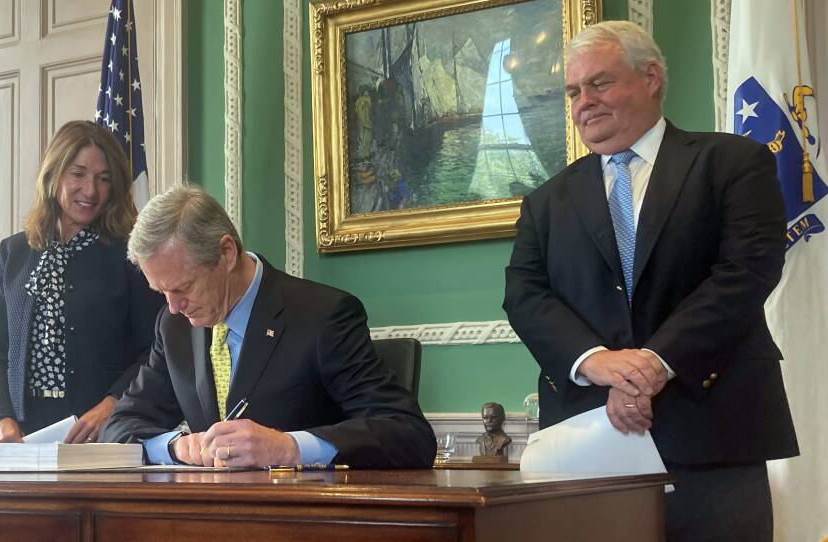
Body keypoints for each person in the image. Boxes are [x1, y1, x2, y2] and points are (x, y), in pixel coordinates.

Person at [502, 21, 798, 541]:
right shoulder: (546, 201)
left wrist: (655, 364)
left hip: (712, 432)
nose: (583, 102)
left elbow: (747, 270)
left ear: (652, 77)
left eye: (600, 83)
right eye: (573, 91)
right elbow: (525, 296)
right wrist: (597, 363)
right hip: (590, 445)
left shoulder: (730, 162)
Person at [100, 185, 436, 469]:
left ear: (227, 253)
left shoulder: (323, 316)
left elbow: (408, 433)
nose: (172, 306)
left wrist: (288, 447)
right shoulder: (173, 326)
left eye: (183, 288)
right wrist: (176, 447)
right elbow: (118, 427)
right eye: (161, 292)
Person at [0, 120, 164, 444]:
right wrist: (0, 415)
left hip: (102, 430)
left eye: (103, 179)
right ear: (53, 174)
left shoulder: (131, 254)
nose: (91, 191)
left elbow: (155, 348)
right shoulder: (13, 253)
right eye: (78, 174)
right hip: (23, 434)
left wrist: (113, 403)